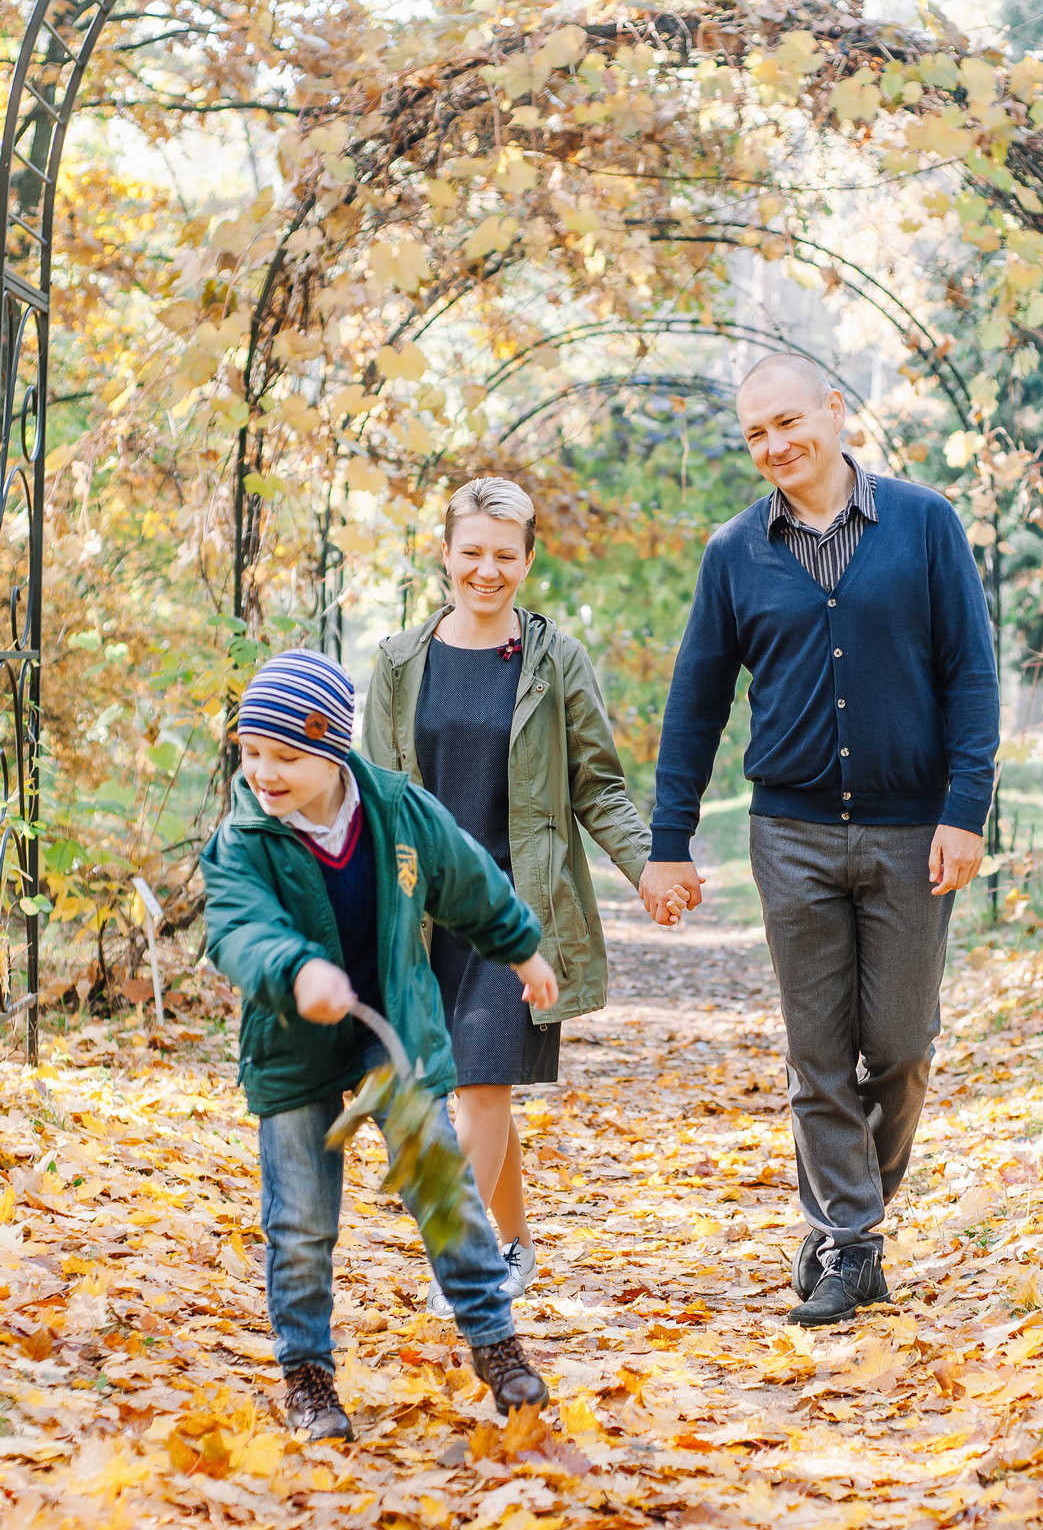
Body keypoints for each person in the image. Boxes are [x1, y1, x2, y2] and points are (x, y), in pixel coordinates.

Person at [639, 354, 1000, 1328]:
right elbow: (695, 706)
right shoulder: (733, 553)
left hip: (908, 833)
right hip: (789, 834)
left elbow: (969, 674)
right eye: (755, 434)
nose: (774, 446)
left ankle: (847, 1221)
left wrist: (965, 809)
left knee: (898, 1047)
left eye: (788, 422)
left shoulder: (922, 524)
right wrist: (667, 840)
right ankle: (849, 1243)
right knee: (817, 1052)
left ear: (835, 412)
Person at [201, 648, 560, 1440]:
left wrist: (522, 946)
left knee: (439, 1177)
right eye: (252, 752)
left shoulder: (397, 810)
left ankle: (496, 1344)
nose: (265, 772)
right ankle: (307, 1376)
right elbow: (237, 927)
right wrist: (296, 971)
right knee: (300, 1218)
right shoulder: (245, 839)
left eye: (287, 756)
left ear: (333, 752)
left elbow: (467, 877)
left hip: (389, 1030)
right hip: (295, 1042)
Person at [363, 477, 675, 1316]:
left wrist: (646, 865)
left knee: (485, 1085)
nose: (487, 570)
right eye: (473, 553)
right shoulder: (397, 662)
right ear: (446, 554)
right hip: (428, 914)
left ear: (529, 561)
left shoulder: (554, 660)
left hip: (518, 913)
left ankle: (461, 1263)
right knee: (471, 1086)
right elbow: (376, 799)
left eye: (506, 555)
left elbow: (598, 785)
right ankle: (513, 1244)